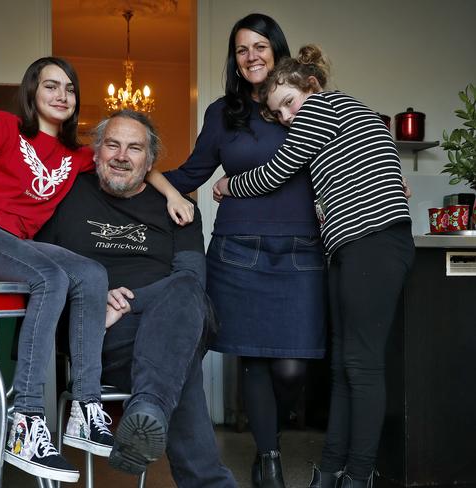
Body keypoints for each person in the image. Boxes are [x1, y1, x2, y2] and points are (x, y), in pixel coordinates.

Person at [0, 57, 193, 483]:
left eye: (69, 89)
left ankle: (86, 409)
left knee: (91, 274)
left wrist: (172, 196)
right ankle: (26, 422)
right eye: (51, 86)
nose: (61, 95)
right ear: (32, 92)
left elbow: (135, 158)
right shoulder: (7, 127)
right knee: (50, 277)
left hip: (18, 247)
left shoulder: (75, 155)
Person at [213, 44, 415, 488]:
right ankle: (329, 472)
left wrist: (229, 184)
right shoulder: (339, 117)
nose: (286, 117)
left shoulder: (323, 105)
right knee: (343, 365)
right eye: (277, 113)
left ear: (312, 85)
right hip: (352, 246)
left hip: (374, 242)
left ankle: (358, 475)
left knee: (361, 366)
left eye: (288, 102)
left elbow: (276, 172)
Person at [163, 13, 326, 488]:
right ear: (234, 60)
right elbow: (191, 174)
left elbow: (335, 163)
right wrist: (143, 178)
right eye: (241, 49)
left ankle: (270, 439)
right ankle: (269, 459)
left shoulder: (307, 103)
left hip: (300, 253)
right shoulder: (222, 113)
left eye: (260, 46)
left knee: (292, 367)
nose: (251, 56)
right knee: (253, 359)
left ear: (276, 50)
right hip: (239, 252)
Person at [36, 109, 237, 488]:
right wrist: (91, 299)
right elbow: (43, 269)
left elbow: (191, 280)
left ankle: (148, 409)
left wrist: (128, 302)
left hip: (171, 314)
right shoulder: (65, 194)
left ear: (149, 162)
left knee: (183, 294)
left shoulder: (179, 209)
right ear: (96, 152)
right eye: (112, 144)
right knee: (180, 357)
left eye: (134, 148)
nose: (121, 155)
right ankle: (153, 414)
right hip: (98, 335)